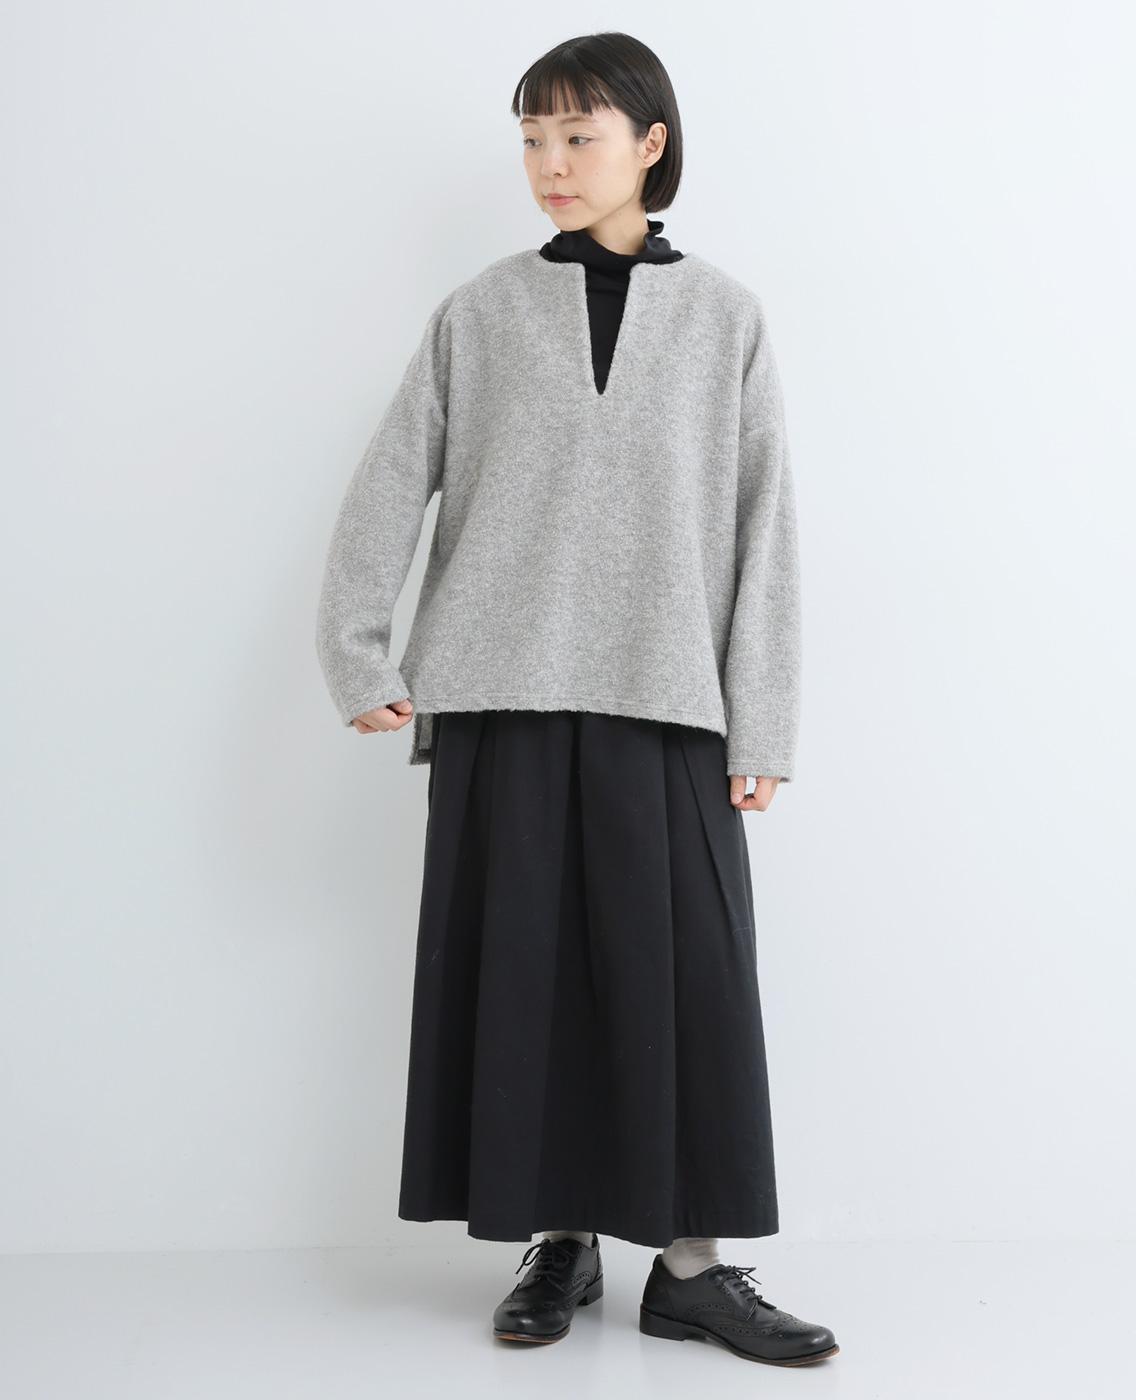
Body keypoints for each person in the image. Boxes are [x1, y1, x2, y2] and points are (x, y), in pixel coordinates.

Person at [314, 31, 838, 1367]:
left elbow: (763, 525)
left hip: (669, 696)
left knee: (690, 986)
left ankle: (693, 1269)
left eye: (578, 136)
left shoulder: (725, 318)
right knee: (528, 981)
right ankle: (557, 1242)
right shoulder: (480, 314)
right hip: (501, 691)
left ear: (650, 144)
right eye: (533, 139)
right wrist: (362, 653)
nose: (550, 163)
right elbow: (392, 482)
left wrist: (764, 716)